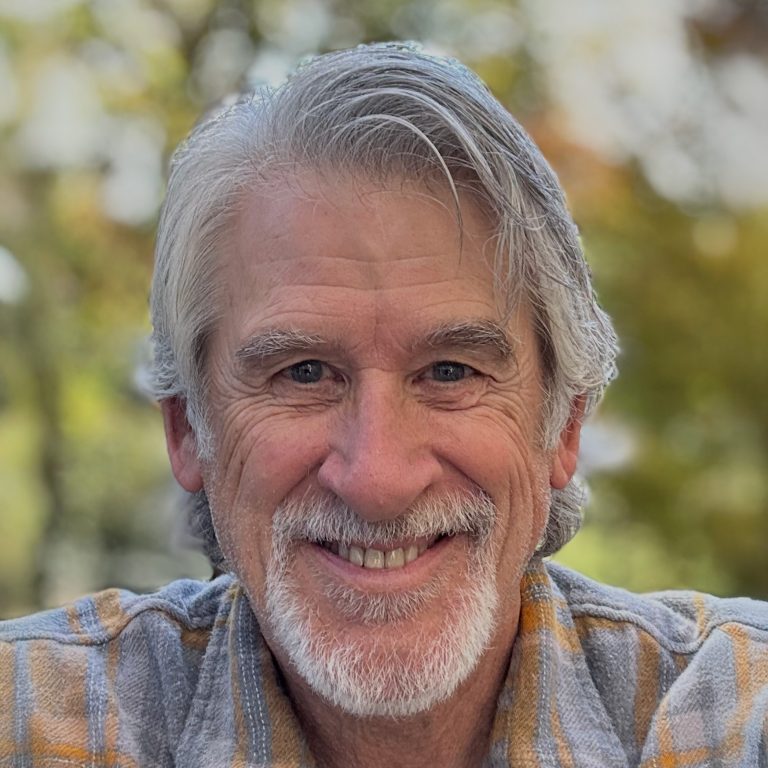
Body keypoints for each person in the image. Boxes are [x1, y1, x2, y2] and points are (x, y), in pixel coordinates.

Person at [1, 42, 766, 768]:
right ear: (187, 429)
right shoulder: (34, 722)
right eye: (303, 373)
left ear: (563, 423)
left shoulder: (734, 717)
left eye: (449, 371)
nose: (378, 478)